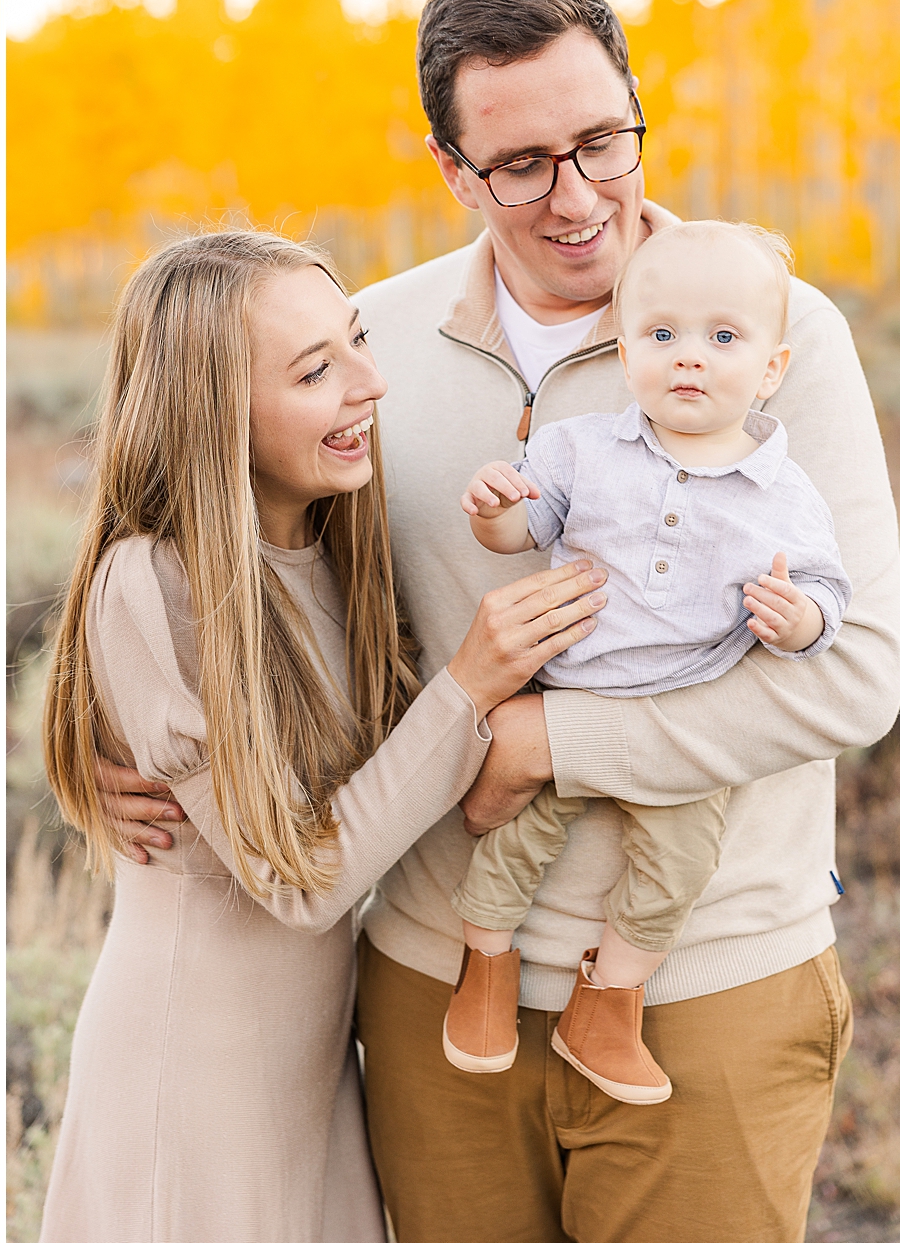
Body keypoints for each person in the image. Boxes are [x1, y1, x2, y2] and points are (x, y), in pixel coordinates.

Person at [96, 0, 900, 1242]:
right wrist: (123, 738)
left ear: (637, 112)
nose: (577, 196)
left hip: (703, 985)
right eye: (521, 163)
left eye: (601, 141)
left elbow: (855, 670)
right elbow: (252, 578)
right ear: (449, 168)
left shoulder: (764, 331)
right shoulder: (371, 341)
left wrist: (542, 740)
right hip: (427, 991)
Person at [34, 232, 607, 1242]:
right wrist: (470, 685)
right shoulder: (152, 581)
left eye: (356, 341)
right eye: (315, 370)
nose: (369, 383)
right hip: (195, 1080)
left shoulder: (331, 542)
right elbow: (295, 878)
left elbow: (375, 783)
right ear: (212, 409)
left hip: (310, 1071)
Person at [445, 220, 851, 1106]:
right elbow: (527, 525)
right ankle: (484, 963)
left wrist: (800, 617)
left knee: (678, 866)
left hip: (683, 719)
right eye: (662, 336)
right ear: (626, 352)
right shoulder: (581, 448)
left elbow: (828, 590)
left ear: (771, 369)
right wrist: (494, 511)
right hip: (568, 690)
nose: (690, 359)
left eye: (724, 338)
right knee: (516, 842)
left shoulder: (781, 490)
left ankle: (610, 1000)